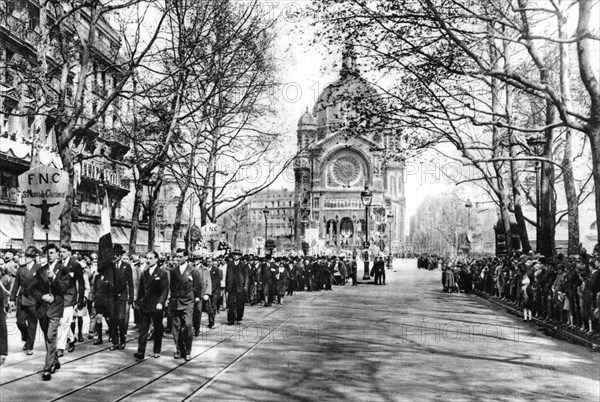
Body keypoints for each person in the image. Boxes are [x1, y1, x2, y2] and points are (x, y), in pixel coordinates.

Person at [30, 243, 69, 381]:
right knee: (48, 336)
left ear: (58, 254)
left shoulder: (63, 269)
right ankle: (55, 361)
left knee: (50, 336)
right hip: (43, 309)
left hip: (56, 308)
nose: (50, 255)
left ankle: (47, 368)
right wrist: (42, 296)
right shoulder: (41, 270)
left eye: (52, 253)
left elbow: (64, 288)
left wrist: (54, 279)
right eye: (48, 253)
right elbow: (32, 289)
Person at [134, 251, 169, 360]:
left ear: (156, 259)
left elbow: (165, 290)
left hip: (156, 305)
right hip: (145, 305)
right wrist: (138, 301)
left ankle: (157, 350)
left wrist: (161, 303)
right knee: (143, 329)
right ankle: (141, 351)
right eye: (147, 258)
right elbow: (141, 289)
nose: (148, 260)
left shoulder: (162, 273)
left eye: (151, 258)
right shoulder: (145, 273)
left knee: (158, 328)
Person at [9, 246, 42, 355]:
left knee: (32, 324)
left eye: (29, 256)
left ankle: (30, 346)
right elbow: (16, 284)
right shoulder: (21, 268)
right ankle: (26, 336)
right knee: (20, 322)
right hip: (22, 299)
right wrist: (12, 299)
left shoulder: (39, 268)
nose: (26, 258)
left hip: (34, 300)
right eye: (26, 256)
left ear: (33, 257)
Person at [169, 249, 200, 361]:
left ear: (186, 257)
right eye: (176, 257)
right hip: (176, 301)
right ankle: (178, 349)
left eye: (180, 256)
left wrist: (195, 297)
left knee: (187, 325)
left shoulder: (193, 271)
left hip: (188, 301)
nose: (177, 259)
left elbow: (197, 286)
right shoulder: (173, 271)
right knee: (176, 326)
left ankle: (187, 350)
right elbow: (171, 286)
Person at [56, 245, 85, 356]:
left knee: (64, 322)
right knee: (60, 322)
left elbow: (81, 283)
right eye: (60, 252)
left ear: (69, 252)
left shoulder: (75, 265)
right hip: (59, 297)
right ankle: (72, 339)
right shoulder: (58, 264)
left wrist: (80, 300)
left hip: (70, 296)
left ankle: (60, 348)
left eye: (64, 251)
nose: (61, 254)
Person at [109, 244, 134, 351]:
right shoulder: (110, 267)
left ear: (121, 255)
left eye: (117, 254)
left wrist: (131, 297)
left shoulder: (126, 266)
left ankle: (123, 339)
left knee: (121, 318)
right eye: (114, 254)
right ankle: (115, 342)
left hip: (122, 296)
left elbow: (130, 283)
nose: (116, 256)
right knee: (113, 319)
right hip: (112, 297)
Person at [225, 250, 248, 325]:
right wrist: (227, 287)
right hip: (231, 287)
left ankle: (239, 317)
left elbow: (246, 276)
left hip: (240, 286)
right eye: (234, 255)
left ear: (240, 256)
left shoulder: (244, 265)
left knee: (240, 303)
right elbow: (227, 276)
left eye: (237, 255)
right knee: (231, 303)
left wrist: (245, 285)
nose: (235, 256)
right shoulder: (230, 264)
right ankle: (231, 319)